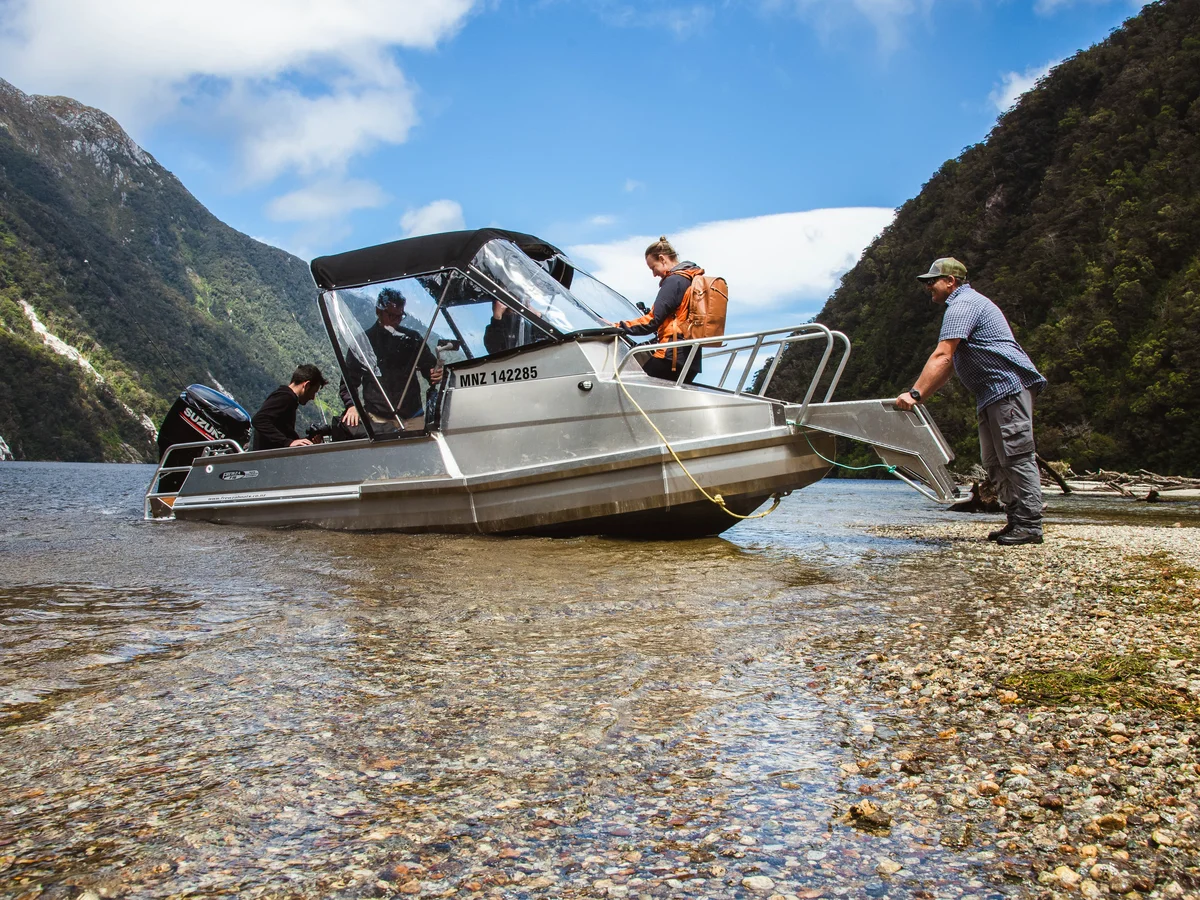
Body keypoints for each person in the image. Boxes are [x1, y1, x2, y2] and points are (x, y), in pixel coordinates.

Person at [895, 258, 1047, 546]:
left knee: (1016, 457)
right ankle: (1016, 520)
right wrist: (921, 395)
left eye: (933, 281)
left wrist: (914, 394)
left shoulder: (963, 305)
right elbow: (947, 367)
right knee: (994, 462)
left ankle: (1030, 525)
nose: (928, 286)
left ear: (951, 281)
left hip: (1008, 388)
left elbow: (943, 356)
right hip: (991, 394)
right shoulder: (964, 304)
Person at [340, 287, 443, 434]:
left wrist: (436, 374)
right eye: (391, 315)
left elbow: (430, 368)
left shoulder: (412, 339)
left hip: (412, 417)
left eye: (400, 316)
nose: (395, 321)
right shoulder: (362, 342)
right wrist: (351, 405)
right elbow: (349, 381)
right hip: (377, 419)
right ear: (378, 311)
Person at [616, 236, 703, 383]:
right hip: (691, 360)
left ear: (662, 259)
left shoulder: (674, 281)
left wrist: (617, 327)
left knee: (627, 385)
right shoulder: (692, 279)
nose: (654, 274)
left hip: (671, 358)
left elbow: (651, 321)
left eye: (653, 267)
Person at [250, 364, 327, 451]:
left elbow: (282, 435)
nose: (313, 397)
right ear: (307, 385)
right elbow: (259, 420)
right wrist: (287, 442)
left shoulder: (287, 398)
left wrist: (307, 441)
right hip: (268, 461)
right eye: (313, 392)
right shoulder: (286, 397)